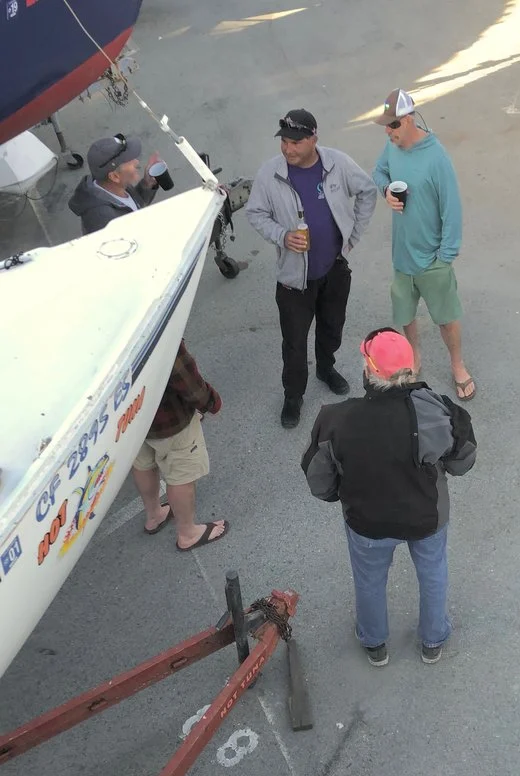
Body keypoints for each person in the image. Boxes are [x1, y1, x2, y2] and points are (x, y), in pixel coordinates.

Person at [301, 330, 476, 667]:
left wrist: (344, 494)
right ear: (411, 369)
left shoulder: (336, 420)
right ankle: (432, 641)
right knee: (433, 572)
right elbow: (463, 460)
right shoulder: (439, 411)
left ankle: (375, 643)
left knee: (369, 579)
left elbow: (319, 481)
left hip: (367, 521)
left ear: (369, 371)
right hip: (427, 516)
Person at [242, 108, 379, 428]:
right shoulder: (270, 174)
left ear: (314, 139)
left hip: (333, 268)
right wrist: (282, 236)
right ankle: (293, 395)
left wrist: (352, 236)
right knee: (294, 343)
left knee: (332, 327)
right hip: (293, 280)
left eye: (296, 142)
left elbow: (367, 191)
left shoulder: (337, 163)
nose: (288, 149)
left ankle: (325, 368)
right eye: (285, 142)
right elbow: (255, 213)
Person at [370, 89, 474, 402]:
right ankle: (414, 355)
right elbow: (379, 172)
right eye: (386, 126)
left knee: (446, 317)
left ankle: (458, 366)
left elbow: (452, 210)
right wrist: (386, 190)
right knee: (405, 312)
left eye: (393, 126)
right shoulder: (392, 147)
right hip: (402, 255)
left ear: (409, 119)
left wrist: (445, 257)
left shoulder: (436, 158)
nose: (388, 132)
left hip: (433, 260)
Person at [132, 344, 230, 552]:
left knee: (143, 462)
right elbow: (183, 375)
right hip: (169, 418)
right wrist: (211, 402)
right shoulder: (151, 324)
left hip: (133, 419)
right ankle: (187, 534)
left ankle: (154, 515)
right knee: (181, 474)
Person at [69, 132, 175, 233]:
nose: (137, 162)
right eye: (129, 161)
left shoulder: (116, 187)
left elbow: (134, 206)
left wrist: (147, 184)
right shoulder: (104, 220)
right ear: (115, 176)